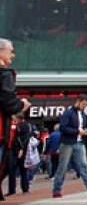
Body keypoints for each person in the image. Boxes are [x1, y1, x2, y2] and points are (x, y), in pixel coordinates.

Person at [52, 95, 87, 199]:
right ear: (78, 102)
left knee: (83, 165)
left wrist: (85, 131)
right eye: (84, 104)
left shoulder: (82, 114)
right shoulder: (68, 113)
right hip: (67, 143)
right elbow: (63, 128)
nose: (85, 106)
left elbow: (81, 127)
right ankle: (56, 190)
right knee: (62, 167)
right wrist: (77, 131)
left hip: (79, 142)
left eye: (86, 104)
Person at [0, 39, 30, 201]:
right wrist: (22, 105)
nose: (12, 54)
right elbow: (9, 103)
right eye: (10, 51)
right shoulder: (4, 74)